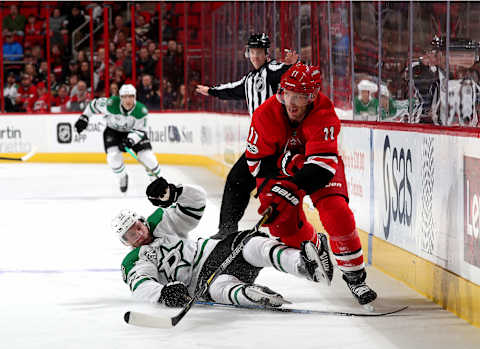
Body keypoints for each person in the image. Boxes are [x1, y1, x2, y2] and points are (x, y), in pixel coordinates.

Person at [244, 62, 377, 305]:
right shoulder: (264, 115)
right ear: (281, 92)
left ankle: (356, 277)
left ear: (313, 97)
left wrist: (293, 184)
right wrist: (286, 171)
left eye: (301, 96)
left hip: (316, 169)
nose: (292, 102)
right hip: (280, 172)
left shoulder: (324, 112)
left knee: (337, 212)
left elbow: (321, 169)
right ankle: (316, 245)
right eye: (288, 94)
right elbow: (256, 164)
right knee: (280, 225)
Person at [114, 177, 332, 307]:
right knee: (220, 289)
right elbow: (140, 286)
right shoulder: (135, 260)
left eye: (137, 227)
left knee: (253, 244)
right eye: (131, 235)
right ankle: (252, 295)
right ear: (126, 242)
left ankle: (304, 265)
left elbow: (197, 203)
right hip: (200, 282)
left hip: (214, 251)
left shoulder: (161, 221)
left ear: (141, 220)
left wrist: (175, 193)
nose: (139, 234)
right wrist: (162, 294)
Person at [195, 33, 299, 239]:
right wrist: (211, 91)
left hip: (278, 144)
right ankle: (227, 228)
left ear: (267, 53)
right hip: (260, 144)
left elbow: (291, 76)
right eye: (252, 52)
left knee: (266, 187)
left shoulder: (273, 70)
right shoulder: (250, 79)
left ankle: (289, 234)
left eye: (259, 52)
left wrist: (294, 65)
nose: (255, 56)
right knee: (237, 180)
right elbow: (232, 89)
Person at [74, 84, 161, 193]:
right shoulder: (111, 104)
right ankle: (122, 176)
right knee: (113, 158)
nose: (128, 100)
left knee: (149, 158)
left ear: (135, 97)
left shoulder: (141, 110)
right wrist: (84, 117)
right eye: (124, 97)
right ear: (120, 97)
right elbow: (94, 104)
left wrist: (130, 140)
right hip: (113, 132)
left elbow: (140, 130)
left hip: (132, 132)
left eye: (131, 96)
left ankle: (157, 183)